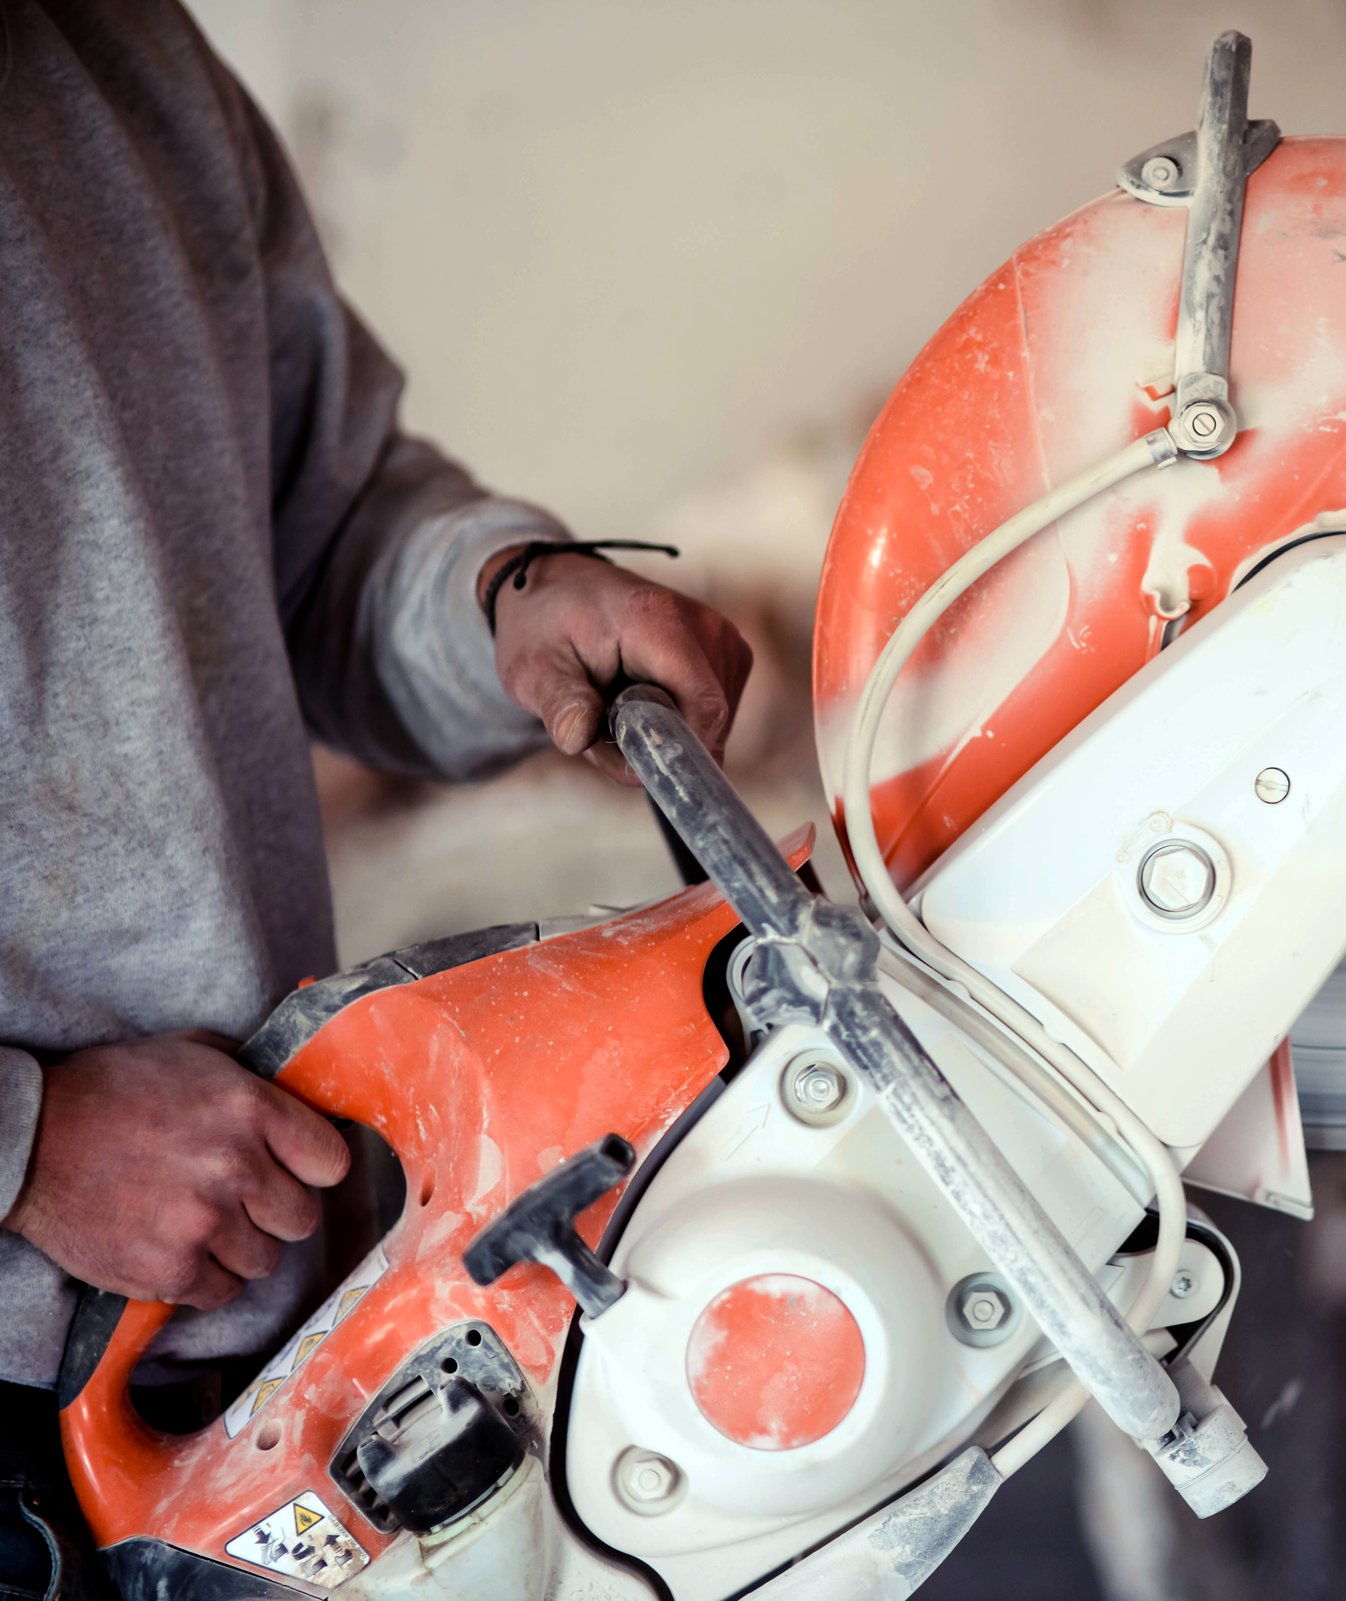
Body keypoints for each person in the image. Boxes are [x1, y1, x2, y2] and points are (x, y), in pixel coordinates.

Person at [0, 2, 754, 1592]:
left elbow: (315, 530)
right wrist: (26, 1143)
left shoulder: (116, 62)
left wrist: (502, 604)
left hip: (255, 1355)